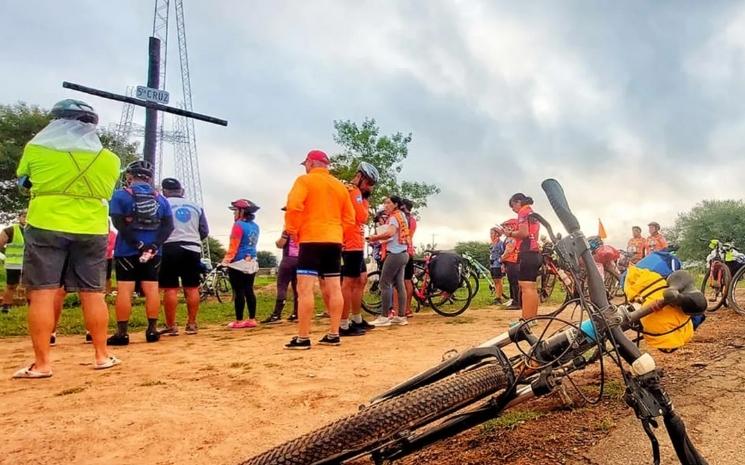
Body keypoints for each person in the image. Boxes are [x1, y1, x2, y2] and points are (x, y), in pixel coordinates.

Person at [13, 99, 121, 378]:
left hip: (46, 222)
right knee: (93, 293)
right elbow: (108, 189)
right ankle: (101, 355)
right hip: (93, 227)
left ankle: (42, 364)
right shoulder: (110, 159)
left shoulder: (36, 148)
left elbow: (24, 181)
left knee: (42, 293)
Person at [283, 150, 355, 349]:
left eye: (305, 163)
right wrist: (340, 234)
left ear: (311, 162)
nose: (305, 167)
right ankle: (334, 333)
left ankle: (303, 337)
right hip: (334, 240)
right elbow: (350, 218)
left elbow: (294, 206)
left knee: (305, 288)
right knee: (334, 288)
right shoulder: (340, 186)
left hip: (310, 238)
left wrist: (293, 231)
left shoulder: (304, 181)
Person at [107, 160, 174, 345]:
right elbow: (168, 226)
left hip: (126, 250)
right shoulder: (161, 199)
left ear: (130, 176)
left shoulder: (120, 196)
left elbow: (118, 224)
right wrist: (153, 246)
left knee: (125, 290)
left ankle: (122, 333)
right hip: (154, 252)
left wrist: (138, 245)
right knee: (152, 289)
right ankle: (152, 330)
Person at [158, 178, 209, 336]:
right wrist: (192, 237)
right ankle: (192, 324)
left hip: (169, 246)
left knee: (170, 288)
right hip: (192, 248)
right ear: (181, 191)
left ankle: (171, 326)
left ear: (164, 190)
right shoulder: (196, 207)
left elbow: (157, 226)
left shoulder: (162, 204)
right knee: (192, 287)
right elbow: (204, 230)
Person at [340, 162, 380, 337]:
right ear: (361, 177)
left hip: (355, 242)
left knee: (362, 279)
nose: (370, 187)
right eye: (369, 183)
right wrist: (365, 201)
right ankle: (343, 323)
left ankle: (356, 318)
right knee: (349, 283)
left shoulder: (357, 193)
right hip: (348, 243)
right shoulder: (353, 192)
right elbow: (363, 216)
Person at [367, 196, 413, 327]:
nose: (385, 205)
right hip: (404, 253)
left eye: (388, 203)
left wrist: (374, 237)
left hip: (395, 254)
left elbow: (390, 233)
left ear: (395, 204)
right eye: (384, 203)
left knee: (384, 283)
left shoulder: (393, 217)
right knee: (399, 285)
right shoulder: (402, 216)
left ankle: (384, 316)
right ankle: (401, 316)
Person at [222, 199, 260, 329]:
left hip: (238, 261)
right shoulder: (255, 226)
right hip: (252, 260)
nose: (234, 214)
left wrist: (226, 260)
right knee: (249, 289)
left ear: (241, 211)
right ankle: (252, 319)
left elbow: (234, 244)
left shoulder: (238, 225)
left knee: (238, 291)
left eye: (235, 211)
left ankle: (239, 320)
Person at [507, 193, 541, 320]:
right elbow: (535, 236)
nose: (513, 210)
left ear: (518, 202)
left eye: (513, 206)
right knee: (531, 287)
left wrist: (509, 233)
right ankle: (531, 319)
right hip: (535, 252)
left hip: (527, 252)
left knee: (526, 287)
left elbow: (523, 233)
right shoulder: (533, 213)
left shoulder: (523, 212)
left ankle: (526, 320)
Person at [262, 221, 299, 323]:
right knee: (298, 288)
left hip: (288, 260)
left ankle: (276, 314)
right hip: (301, 260)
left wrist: (279, 241)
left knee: (282, 286)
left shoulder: (288, 228)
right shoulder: (305, 227)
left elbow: (280, 244)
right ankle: (296, 313)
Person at [0, 210, 27, 313]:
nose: (26, 219)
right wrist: (7, 253)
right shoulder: (11, 230)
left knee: (31, 285)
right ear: (19, 217)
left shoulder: (34, 231)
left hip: (29, 263)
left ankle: (32, 306)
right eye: (24, 216)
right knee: (11, 285)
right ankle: (6, 306)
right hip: (14, 263)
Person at [500, 219, 521, 310]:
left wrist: (501, 258)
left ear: (511, 227)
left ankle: (517, 302)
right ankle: (513, 299)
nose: (503, 229)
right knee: (511, 282)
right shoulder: (508, 238)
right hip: (509, 262)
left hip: (514, 262)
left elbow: (509, 250)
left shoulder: (512, 238)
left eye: (505, 227)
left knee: (515, 282)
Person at [489, 227, 506, 304]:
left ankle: (499, 297)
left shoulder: (500, 243)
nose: (490, 235)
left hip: (498, 264)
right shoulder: (492, 243)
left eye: (492, 233)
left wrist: (502, 263)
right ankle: (497, 296)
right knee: (495, 281)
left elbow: (503, 253)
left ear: (497, 234)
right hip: (492, 264)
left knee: (498, 280)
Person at [105, 225, 117, 295]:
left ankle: (108, 291)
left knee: (108, 276)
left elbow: (113, 246)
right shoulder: (99, 234)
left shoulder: (112, 234)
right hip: (98, 258)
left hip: (108, 258)